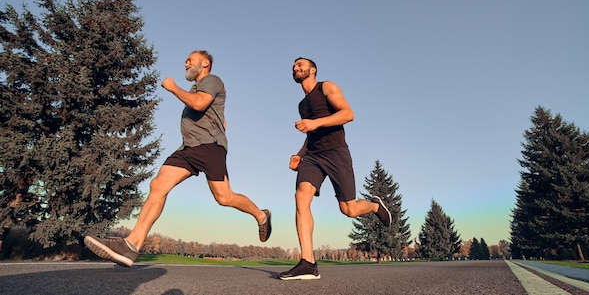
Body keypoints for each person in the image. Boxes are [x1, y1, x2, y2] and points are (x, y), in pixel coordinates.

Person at [84, 50, 271, 267]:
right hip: (188, 148)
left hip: (209, 147)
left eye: (190, 59)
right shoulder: (198, 87)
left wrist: (173, 88)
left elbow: (200, 104)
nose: (185, 62)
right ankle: (131, 245)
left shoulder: (212, 80)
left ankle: (261, 215)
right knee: (158, 185)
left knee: (224, 197)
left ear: (205, 63)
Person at [278, 57, 392, 280]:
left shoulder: (326, 87)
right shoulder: (302, 105)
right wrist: (299, 155)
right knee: (301, 197)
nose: (295, 67)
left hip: (335, 151)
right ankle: (308, 262)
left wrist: (315, 123)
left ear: (313, 70)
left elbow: (348, 114)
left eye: (300, 65)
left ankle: (374, 205)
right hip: (312, 156)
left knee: (348, 209)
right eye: (293, 66)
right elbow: (310, 136)